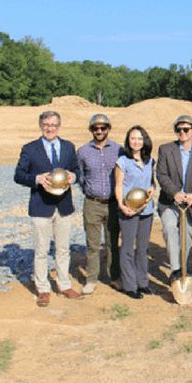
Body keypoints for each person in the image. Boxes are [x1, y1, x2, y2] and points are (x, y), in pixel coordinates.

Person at [14, 111, 84, 307]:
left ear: (59, 126)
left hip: (63, 206)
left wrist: (74, 176)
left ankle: (64, 285)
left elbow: (77, 170)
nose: (50, 128)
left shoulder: (69, 147)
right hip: (40, 206)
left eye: (53, 125)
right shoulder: (29, 149)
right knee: (41, 251)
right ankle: (43, 289)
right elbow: (18, 174)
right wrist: (36, 179)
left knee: (63, 249)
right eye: (46, 124)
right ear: (41, 125)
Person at [156, 115, 192, 283]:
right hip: (170, 201)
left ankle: (181, 265)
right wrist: (175, 192)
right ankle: (176, 270)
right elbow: (161, 174)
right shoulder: (165, 150)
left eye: (186, 129)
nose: (182, 132)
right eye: (179, 129)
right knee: (169, 228)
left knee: (187, 235)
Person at [77, 114, 124, 294]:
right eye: (95, 128)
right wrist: (91, 193)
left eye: (103, 128)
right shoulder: (83, 151)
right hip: (92, 204)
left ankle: (114, 277)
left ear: (108, 129)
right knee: (93, 245)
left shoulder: (119, 150)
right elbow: (81, 177)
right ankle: (91, 279)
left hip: (113, 204)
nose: (99, 131)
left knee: (113, 243)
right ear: (91, 130)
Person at [114, 126, 156, 299]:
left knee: (142, 248)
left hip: (146, 210)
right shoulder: (122, 162)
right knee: (127, 248)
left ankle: (142, 282)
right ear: (128, 141)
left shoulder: (150, 161)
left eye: (139, 138)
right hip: (129, 210)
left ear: (144, 140)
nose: (136, 142)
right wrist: (121, 205)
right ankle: (130, 285)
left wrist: (153, 188)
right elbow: (118, 186)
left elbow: (152, 182)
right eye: (133, 138)